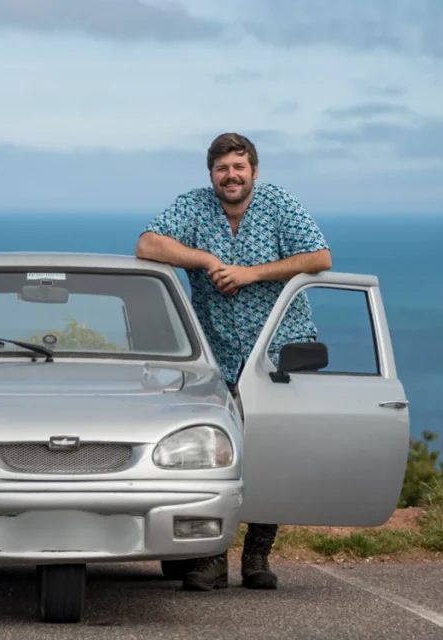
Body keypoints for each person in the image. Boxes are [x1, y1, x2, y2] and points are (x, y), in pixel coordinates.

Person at [135, 132, 331, 592]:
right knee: (216, 454)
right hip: (216, 355)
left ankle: (258, 557)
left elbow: (320, 257)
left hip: (280, 350)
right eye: (222, 168)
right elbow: (147, 245)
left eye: (239, 167)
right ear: (212, 175)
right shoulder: (194, 206)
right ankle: (211, 560)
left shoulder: (280, 204)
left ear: (255, 172)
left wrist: (250, 273)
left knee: (273, 453)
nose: (231, 176)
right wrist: (206, 260)